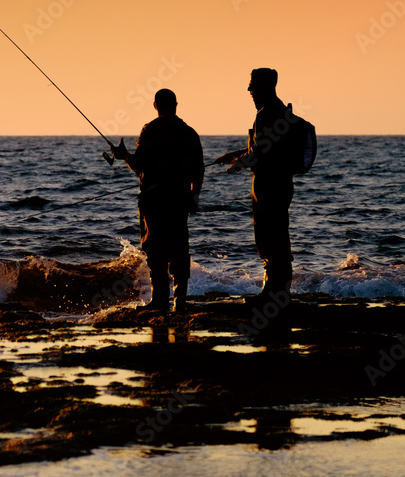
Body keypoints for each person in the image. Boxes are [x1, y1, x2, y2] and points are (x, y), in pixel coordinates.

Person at [111, 89, 204, 312]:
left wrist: (123, 156)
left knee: (156, 250)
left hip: (154, 200)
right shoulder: (189, 132)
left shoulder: (150, 130)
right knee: (179, 249)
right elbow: (198, 169)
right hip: (180, 199)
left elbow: (140, 165)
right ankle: (180, 301)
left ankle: (161, 300)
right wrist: (194, 195)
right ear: (176, 104)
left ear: (155, 105)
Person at [213, 68, 296, 306]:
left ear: (264, 87)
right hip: (280, 183)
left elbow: (260, 153)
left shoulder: (266, 114)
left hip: (269, 185)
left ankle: (273, 294)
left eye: (252, 86)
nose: (249, 90)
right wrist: (236, 153)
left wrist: (237, 165)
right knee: (278, 235)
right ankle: (279, 293)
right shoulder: (280, 111)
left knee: (270, 238)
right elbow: (267, 146)